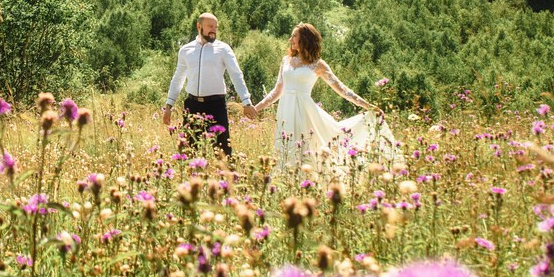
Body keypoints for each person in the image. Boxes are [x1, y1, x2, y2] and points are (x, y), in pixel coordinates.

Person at [252, 22, 402, 173]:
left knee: (307, 149)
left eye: (294, 36)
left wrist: (369, 106)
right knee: (286, 148)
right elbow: (277, 91)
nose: (290, 39)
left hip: (305, 112)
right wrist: (255, 108)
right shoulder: (286, 60)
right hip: (285, 110)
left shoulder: (318, 65)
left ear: (305, 39)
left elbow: (342, 89)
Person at [163, 12, 257, 156]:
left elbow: (236, 75)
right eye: (210, 26)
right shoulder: (185, 50)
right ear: (199, 26)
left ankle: (227, 178)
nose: (213, 30)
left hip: (216, 106)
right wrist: (169, 105)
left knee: (223, 151)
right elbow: (178, 79)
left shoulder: (224, 49)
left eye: (216, 27)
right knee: (188, 150)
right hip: (192, 106)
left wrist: (246, 101)